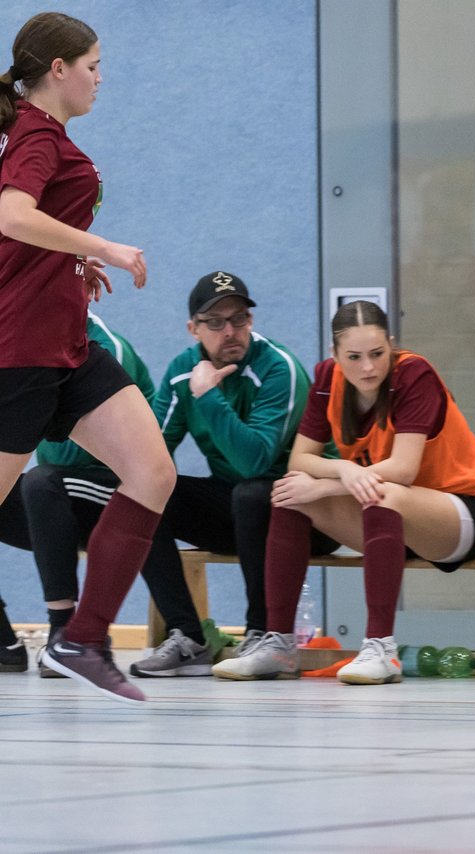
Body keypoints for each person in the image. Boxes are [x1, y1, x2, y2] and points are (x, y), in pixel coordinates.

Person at [0, 12, 175, 703]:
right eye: (94, 65)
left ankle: (83, 636)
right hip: (21, 351)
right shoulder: (36, 134)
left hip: (66, 346)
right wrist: (101, 247)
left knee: (152, 471)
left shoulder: (37, 131)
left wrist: (72, 259)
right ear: (59, 70)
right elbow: (11, 214)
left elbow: (28, 232)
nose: (102, 78)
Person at [214, 300, 475, 685]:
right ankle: (279, 645)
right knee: (291, 493)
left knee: (378, 494)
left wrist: (333, 483)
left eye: (377, 354)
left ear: (392, 344)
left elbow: (402, 469)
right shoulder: (327, 378)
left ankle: (380, 648)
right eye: (354, 357)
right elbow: (301, 460)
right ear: (334, 355)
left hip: (465, 514)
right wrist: (342, 469)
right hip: (393, 516)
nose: (367, 367)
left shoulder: (414, 374)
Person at [129, 271, 333, 678]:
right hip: (241, 510)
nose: (230, 331)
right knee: (144, 495)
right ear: (193, 329)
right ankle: (187, 636)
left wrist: (207, 397)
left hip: (312, 514)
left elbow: (254, 462)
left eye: (239, 319)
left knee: (254, 491)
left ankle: (263, 633)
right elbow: (150, 453)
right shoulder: (181, 371)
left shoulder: (278, 368)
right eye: (216, 322)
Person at [0, 311, 153, 678]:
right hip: (55, 492)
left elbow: (77, 454)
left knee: (41, 480)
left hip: (106, 489)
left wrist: (100, 250)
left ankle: (68, 629)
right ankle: (5, 644)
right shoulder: (22, 342)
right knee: (40, 482)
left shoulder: (103, 347)